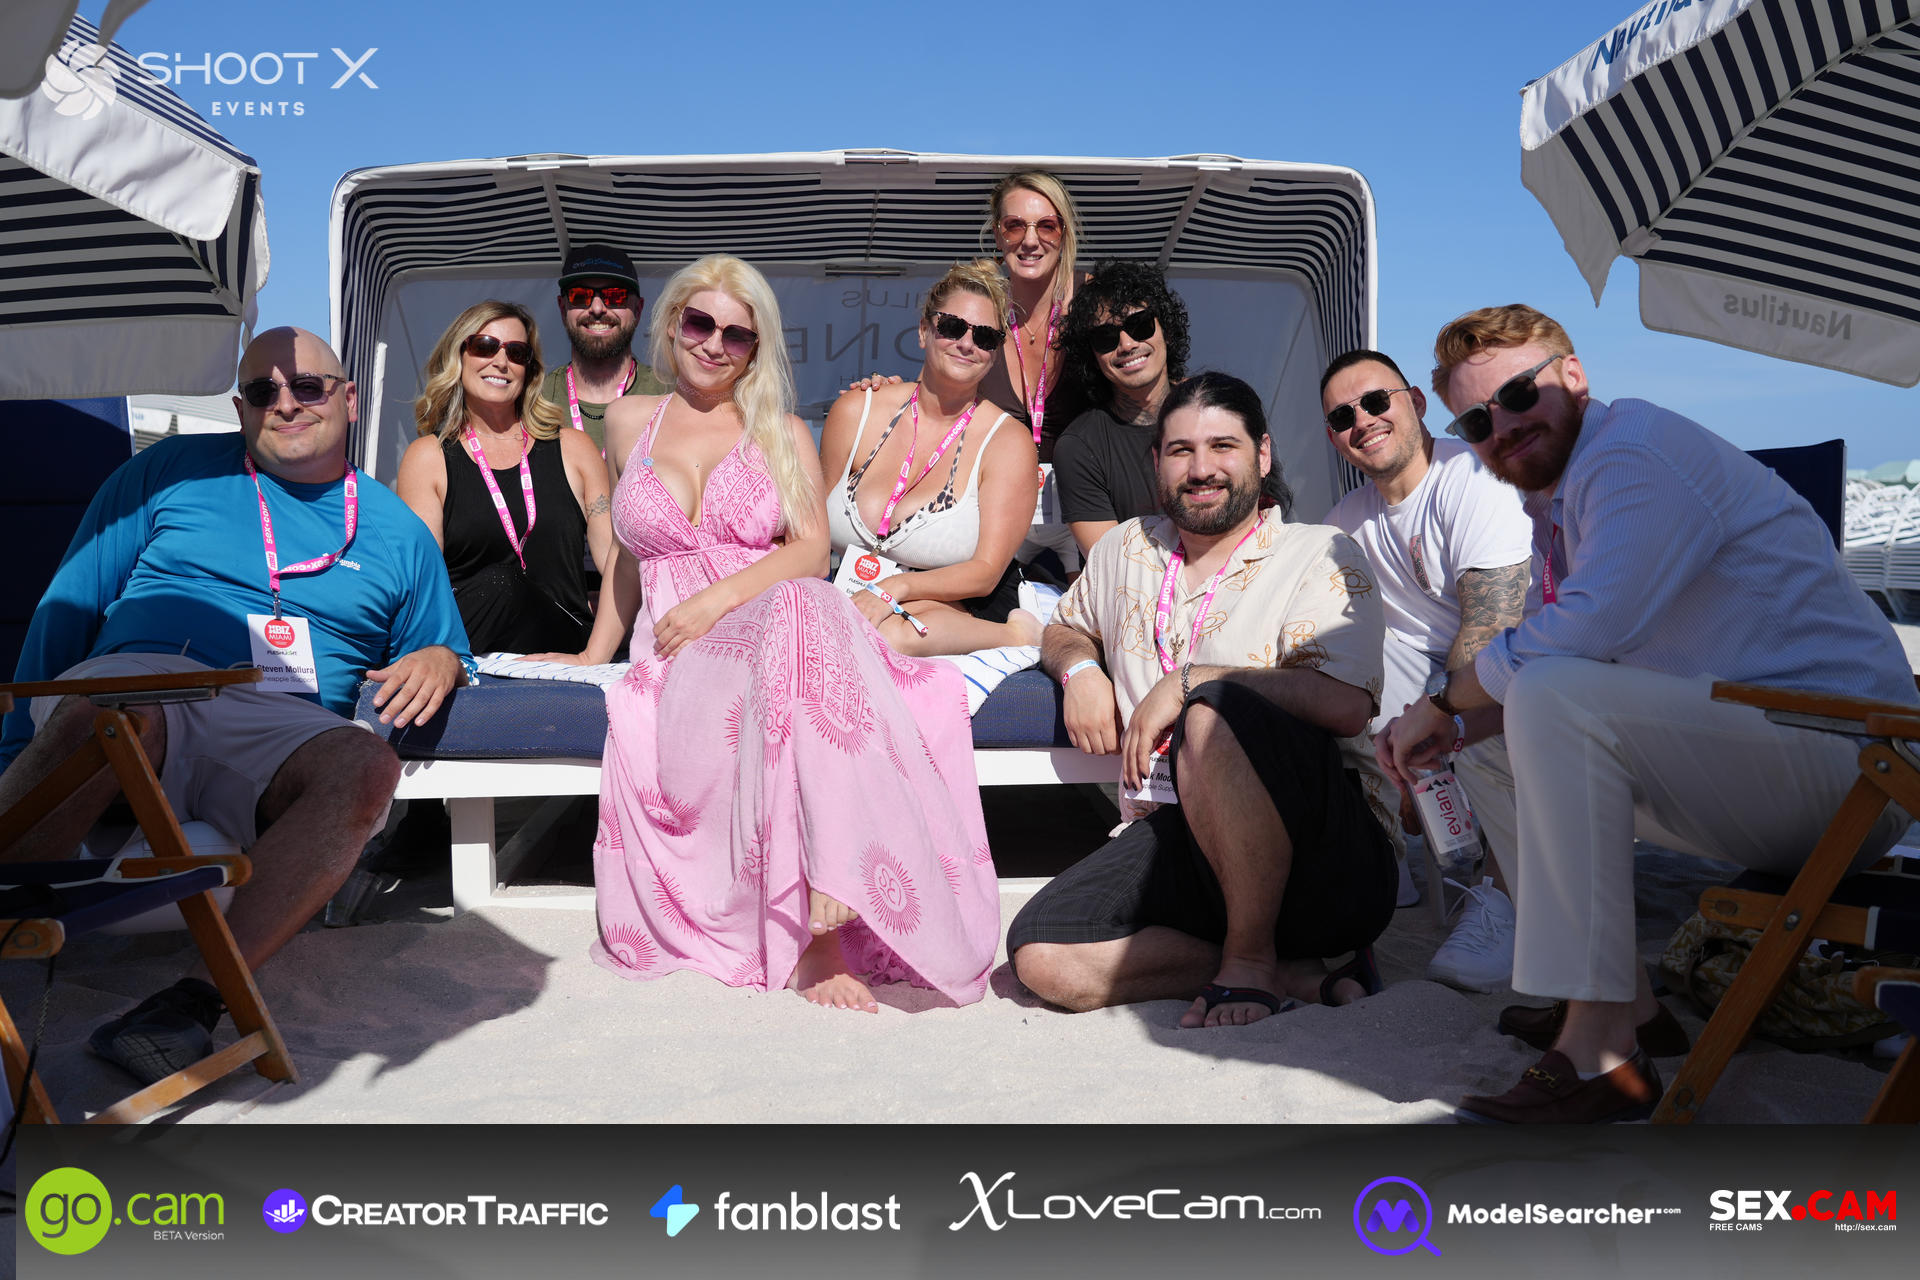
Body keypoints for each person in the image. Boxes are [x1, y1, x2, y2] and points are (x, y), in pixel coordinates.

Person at [1378, 304, 1918, 1123]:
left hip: (1854, 768)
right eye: (1478, 420)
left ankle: (1602, 1055)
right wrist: (1450, 729)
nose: (1504, 426)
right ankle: (1620, 1000)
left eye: (1518, 394)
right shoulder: (1558, 504)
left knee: (1549, 696)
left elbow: (1586, 631)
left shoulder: (1634, 454)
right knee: (1488, 744)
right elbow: (1557, 654)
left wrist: (1441, 701)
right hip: (1764, 748)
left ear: (1573, 376)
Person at [0, 327, 470, 1083]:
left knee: (363, 766)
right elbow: (68, 607)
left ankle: (192, 1002)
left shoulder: (398, 531)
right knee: (110, 717)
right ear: (239, 406)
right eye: (262, 391)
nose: (286, 403)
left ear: (349, 399)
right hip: (147, 675)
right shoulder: (165, 472)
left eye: (308, 386)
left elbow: (448, 649)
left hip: (282, 718)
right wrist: (14, 755)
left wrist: (442, 657)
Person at [535, 254, 998, 1012]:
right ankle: (822, 904)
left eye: (738, 335)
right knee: (801, 615)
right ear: (672, 325)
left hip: (767, 624)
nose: (715, 344)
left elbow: (811, 552)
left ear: (756, 349)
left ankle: (826, 892)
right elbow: (627, 555)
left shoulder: (780, 430)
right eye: (700, 323)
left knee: (803, 606)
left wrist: (718, 600)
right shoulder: (626, 422)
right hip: (680, 655)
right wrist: (594, 652)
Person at [1007, 372, 1398, 1029]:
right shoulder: (1126, 549)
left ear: (1262, 454)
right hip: (1180, 835)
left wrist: (1192, 682)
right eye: (1181, 450)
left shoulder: (1319, 553)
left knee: (1213, 714)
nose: (1201, 469)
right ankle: (1293, 972)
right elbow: (1066, 626)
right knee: (1043, 958)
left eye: (1223, 446)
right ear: (1156, 461)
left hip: (1324, 858)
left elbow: (1346, 706)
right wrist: (1080, 670)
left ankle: (1249, 960)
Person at [1320, 348, 1533, 993]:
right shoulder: (1345, 523)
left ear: (1414, 402)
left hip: (1527, 664)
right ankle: (1382, 856)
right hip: (1426, 679)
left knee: (1486, 694)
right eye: (1343, 416)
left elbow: (1493, 631)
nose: (1363, 420)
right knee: (1332, 663)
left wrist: (1430, 721)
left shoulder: (1472, 477)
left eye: (1375, 401)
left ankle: (1502, 899)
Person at [821, 261, 1042, 656]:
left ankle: (1017, 636)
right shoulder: (857, 410)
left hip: (958, 608)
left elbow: (986, 573)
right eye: (953, 327)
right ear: (924, 331)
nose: (967, 344)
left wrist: (896, 587)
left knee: (888, 638)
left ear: (995, 353)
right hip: (850, 597)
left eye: (985, 337)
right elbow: (811, 531)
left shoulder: (1007, 442)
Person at [396, 300, 610, 655]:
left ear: (529, 369)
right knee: (498, 585)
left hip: (561, 641)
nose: (501, 361)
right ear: (459, 356)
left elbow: (615, 560)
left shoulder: (573, 448)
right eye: (484, 346)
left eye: (516, 353)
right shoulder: (428, 457)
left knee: (505, 584)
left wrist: (601, 651)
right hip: (473, 643)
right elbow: (423, 581)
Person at [1052, 261, 1192, 554]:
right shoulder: (1079, 447)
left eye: (1140, 325)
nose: (1127, 344)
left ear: (1165, 329)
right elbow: (1111, 564)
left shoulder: (1221, 411)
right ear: (1092, 356)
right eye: (1105, 337)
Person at [980, 172, 1093, 464]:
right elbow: (932, 397)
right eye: (1014, 226)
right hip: (993, 489)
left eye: (1047, 226)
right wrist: (886, 389)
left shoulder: (1096, 302)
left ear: (1063, 234)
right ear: (998, 235)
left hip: (1090, 492)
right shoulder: (979, 309)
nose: (1030, 241)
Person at [538, 243, 668, 455]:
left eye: (615, 296)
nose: (597, 308)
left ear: (638, 310)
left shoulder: (669, 396)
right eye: (580, 296)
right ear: (563, 309)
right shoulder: (536, 400)